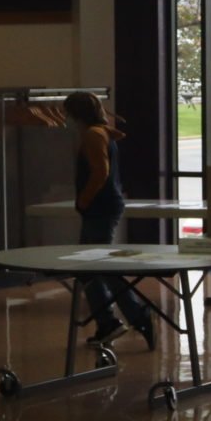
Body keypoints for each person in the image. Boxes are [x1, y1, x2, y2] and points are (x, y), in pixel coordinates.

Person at [64, 91, 154, 349]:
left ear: (76, 113)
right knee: (87, 269)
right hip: (103, 206)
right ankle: (107, 321)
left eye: (67, 112)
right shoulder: (103, 132)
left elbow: (100, 171)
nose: (65, 118)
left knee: (101, 267)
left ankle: (136, 315)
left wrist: (84, 198)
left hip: (99, 208)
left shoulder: (93, 135)